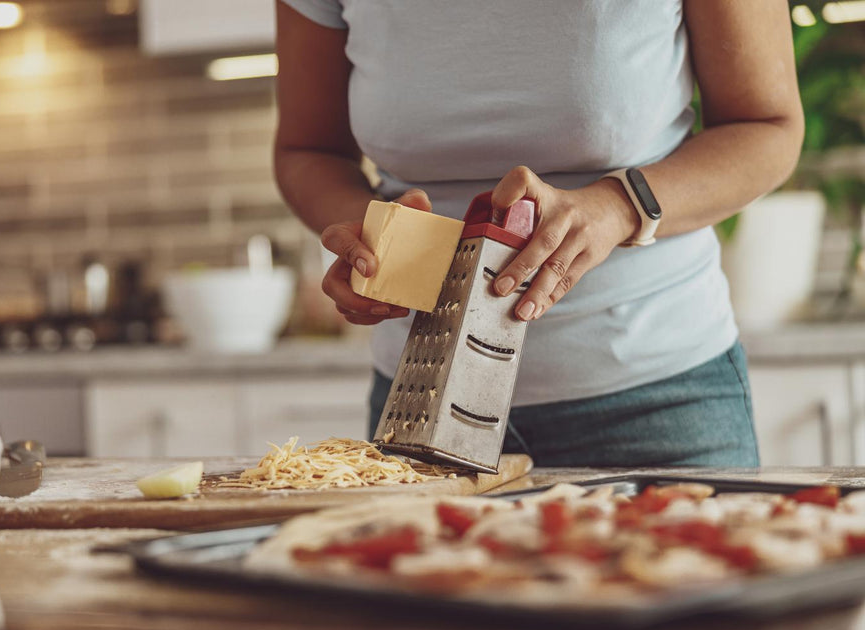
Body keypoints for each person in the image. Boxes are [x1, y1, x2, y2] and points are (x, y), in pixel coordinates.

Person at [273, 0, 804, 467]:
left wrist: (619, 206)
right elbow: (308, 150)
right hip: (418, 403)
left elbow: (767, 125)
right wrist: (367, 234)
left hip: (657, 402)